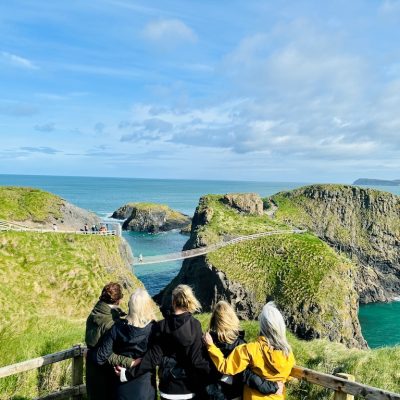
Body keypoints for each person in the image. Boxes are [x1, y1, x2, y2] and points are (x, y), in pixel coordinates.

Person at [125, 284, 211, 399]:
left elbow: (153, 358)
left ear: (173, 302)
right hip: (190, 387)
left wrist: (127, 374)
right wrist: (218, 373)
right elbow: (197, 360)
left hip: (168, 389)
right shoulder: (195, 325)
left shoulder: (161, 326)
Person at [203, 302, 295, 400]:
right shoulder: (288, 353)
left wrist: (211, 346)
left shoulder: (250, 349)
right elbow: (290, 376)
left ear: (262, 325)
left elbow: (225, 367)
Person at [90, 288, 158, 400]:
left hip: (121, 389)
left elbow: (100, 357)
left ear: (130, 306)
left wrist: (90, 352)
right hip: (146, 390)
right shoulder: (154, 329)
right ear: (148, 306)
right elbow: (157, 358)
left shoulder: (117, 328)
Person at [85, 282, 134, 400]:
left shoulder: (93, 314)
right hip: (106, 374)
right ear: (118, 301)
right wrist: (130, 362)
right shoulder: (111, 323)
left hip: (92, 372)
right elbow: (104, 355)